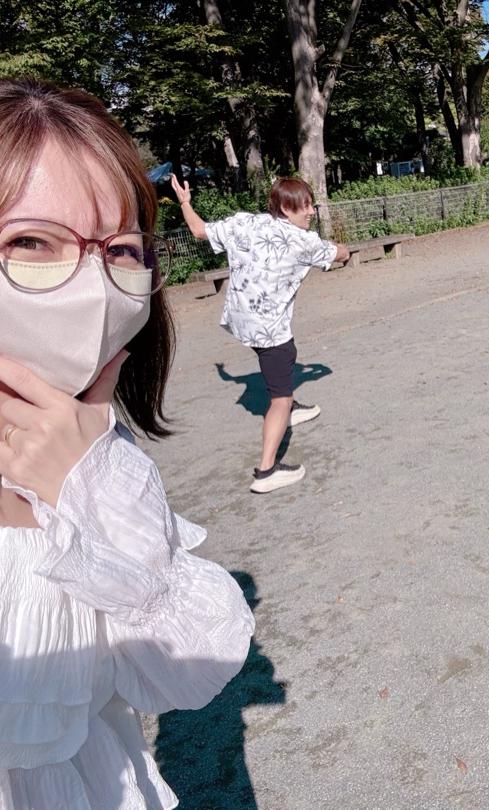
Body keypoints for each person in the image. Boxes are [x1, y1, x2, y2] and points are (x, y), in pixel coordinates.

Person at [0, 79, 254, 808]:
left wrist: (92, 484)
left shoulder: (103, 462)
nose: (92, 285)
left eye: (119, 249)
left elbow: (186, 667)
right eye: (30, 242)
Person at [171, 174, 349, 494]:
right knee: (279, 391)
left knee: (284, 359)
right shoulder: (303, 241)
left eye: (311, 205)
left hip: (242, 321)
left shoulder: (245, 223)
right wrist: (344, 252)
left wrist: (184, 202)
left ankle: (291, 406)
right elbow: (339, 254)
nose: (311, 212)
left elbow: (198, 230)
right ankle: (267, 470)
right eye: (305, 206)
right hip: (269, 330)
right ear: (286, 208)